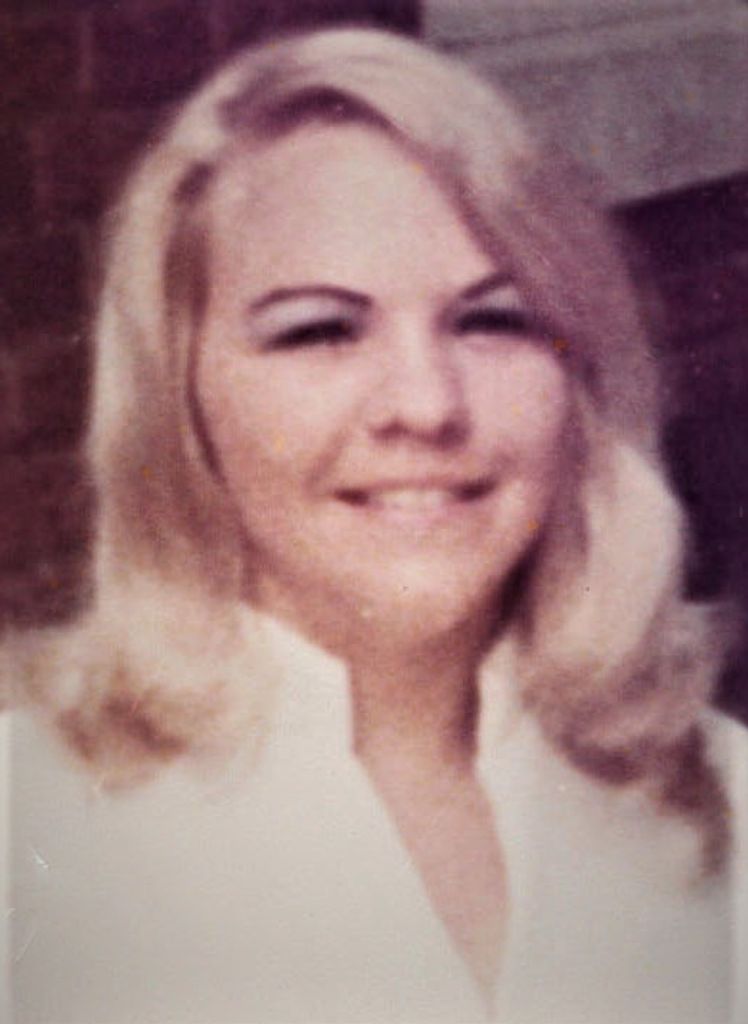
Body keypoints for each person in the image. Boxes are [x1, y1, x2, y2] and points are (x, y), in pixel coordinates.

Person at [5, 25, 747, 1024]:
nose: (426, 404)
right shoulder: (31, 835)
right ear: (181, 402)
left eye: (493, 320)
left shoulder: (721, 805)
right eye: (321, 330)